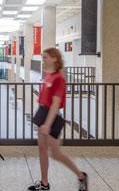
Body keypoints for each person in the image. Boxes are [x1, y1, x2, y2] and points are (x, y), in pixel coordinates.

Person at [28, 48, 88, 191]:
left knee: (56, 154)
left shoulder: (59, 78)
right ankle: (44, 183)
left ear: (55, 58)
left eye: (45, 57)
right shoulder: (48, 76)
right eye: (43, 58)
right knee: (42, 149)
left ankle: (81, 176)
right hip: (42, 113)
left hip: (52, 117)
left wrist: (47, 124)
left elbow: (55, 103)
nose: (43, 60)